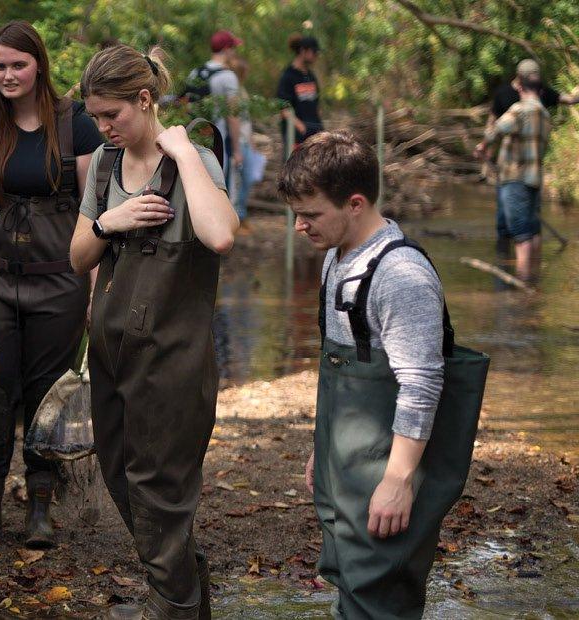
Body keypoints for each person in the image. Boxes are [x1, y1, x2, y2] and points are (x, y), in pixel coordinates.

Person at [281, 131, 486, 618]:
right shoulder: (338, 257)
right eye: (296, 214)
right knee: (350, 583)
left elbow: (421, 384)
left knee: (380, 597)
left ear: (355, 203)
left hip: (388, 469)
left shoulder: (401, 275)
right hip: (347, 463)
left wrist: (398, 480)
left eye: (311, 214)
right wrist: (324, 449)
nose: (299, 227)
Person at [70, 44, 236, 619]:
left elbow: (220, 237)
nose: (103, 126)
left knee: (161, 493)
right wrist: (108, 221)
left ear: (146, 99)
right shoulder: (105, 165)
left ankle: (175, 603)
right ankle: (184, 592)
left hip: (173, 361)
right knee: (122, 477)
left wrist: (185, 154)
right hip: (114, 354)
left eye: (112, 114)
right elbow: (77, 256)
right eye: (94, 116)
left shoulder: (193, 161)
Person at [0, 20, 104, 550]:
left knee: (47, 394)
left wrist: (94, 289)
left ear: (38, 64)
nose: (8, 75)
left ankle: (40, 507)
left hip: (60, 283)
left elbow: (95, 214)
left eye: (18, 64)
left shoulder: (77, 125)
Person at [478, 74, 551, 283]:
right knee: (533, 229)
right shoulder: (545, 114)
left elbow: (496, 130)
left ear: (520, 89)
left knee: (520, 233)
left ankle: (522, 282)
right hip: (535, 178)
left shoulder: (519, 110)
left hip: (515, 178)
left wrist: (483, 147)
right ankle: (533, 279)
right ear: (541, 91)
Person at [184, 30, 244, 172]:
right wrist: (237, 151)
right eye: (233, 48)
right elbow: (233, 115)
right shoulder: (228, 77)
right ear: (226, 50)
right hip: (219, 144)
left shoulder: (195, 73)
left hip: (194, 140)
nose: (234, 52)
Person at [224, 55, 260, 229]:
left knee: (248, 178)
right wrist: (237, 148)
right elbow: (234, 119)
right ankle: (236, 216)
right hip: (237, 142)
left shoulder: (242, 90)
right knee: (238, 180)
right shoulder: (231, 91)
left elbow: (247, 120)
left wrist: (251, 141)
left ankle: (240, 214)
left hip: (245, 141)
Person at [277, 35, 322, 146]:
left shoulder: (311, 76)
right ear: (303, 51)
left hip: (314, 134)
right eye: (314, 52)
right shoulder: (288, 76)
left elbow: (315, 105)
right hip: (295, 137)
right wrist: (300, 127)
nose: (316, 56)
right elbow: (284, 109)